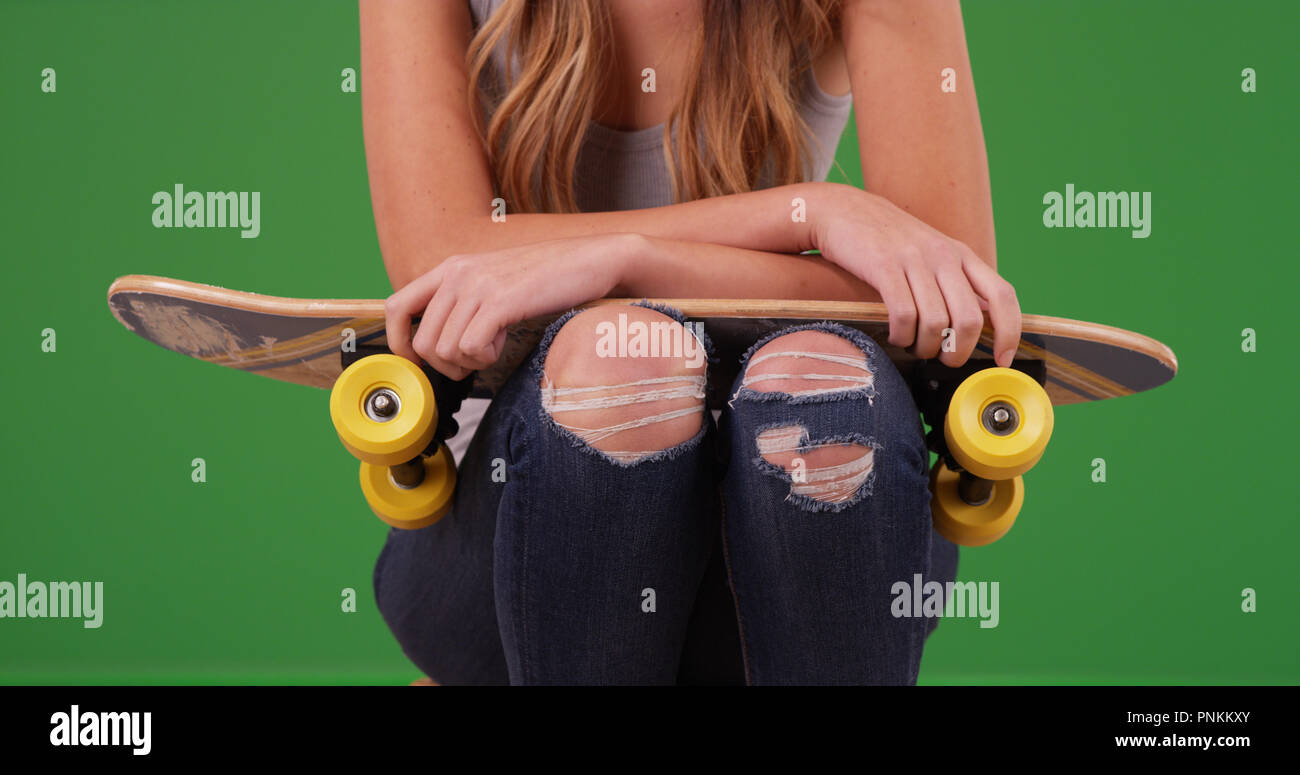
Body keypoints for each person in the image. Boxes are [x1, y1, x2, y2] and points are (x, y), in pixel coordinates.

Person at [361, 0, 1020, 685]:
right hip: (497, 552)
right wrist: (812, 212)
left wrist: (632, 261)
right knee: (626, 360)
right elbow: (439, 251)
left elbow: (949, 297)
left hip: (783, 551)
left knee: (819, 385)